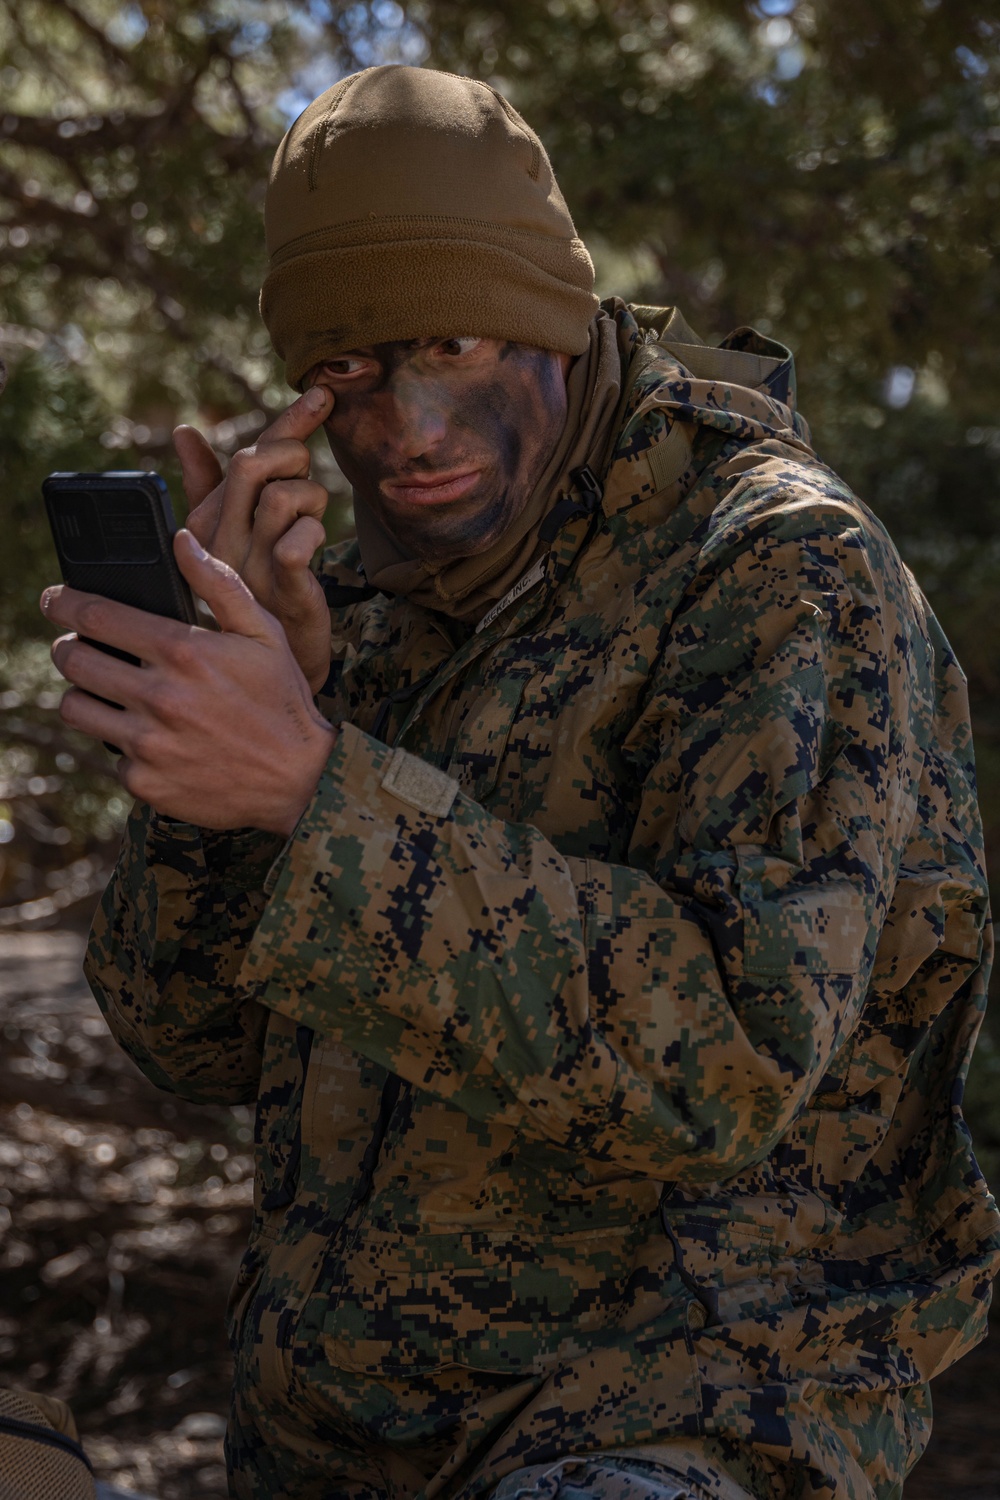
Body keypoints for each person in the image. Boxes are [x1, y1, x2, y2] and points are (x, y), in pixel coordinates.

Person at [43, 65, 999, 1500]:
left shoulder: (779, 568)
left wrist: (316, 791)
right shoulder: (358, 595)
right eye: (352, 368)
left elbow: (731, 1064)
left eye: (460, 341)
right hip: (332, 1448)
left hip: (676, 1423)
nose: (410, 425)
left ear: (558, 321)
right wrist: (230, 752)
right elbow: (191, 1047)